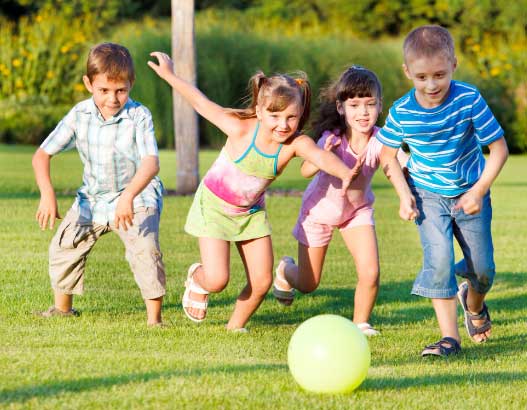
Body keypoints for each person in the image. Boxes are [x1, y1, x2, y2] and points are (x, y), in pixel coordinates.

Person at [148, 52, 362, 331]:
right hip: (213, 208)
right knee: (217, 279)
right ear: (260, 111)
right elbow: (201, 103)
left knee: (261, 282)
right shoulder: (239, 128)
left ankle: (233, 328)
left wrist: (345, 172)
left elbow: (320, 156)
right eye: (274, 115)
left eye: (291, 117)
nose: (283, 125)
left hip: (250, 214)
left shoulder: (294, 144)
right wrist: (169, 75)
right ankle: (199, 280)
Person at [377, 25, 509, 356]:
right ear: (408, 72)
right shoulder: (402, 111)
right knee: (438, 260)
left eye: (439, 74)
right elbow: (386, 154)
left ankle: (473, 303)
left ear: (454, 65)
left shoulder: (468, 99)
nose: (431, 84)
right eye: (421, 77)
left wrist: (479, 191)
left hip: (470, 193)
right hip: (428, 195)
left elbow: (499, 148)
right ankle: (450, 338)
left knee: (483, 270)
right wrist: (404, 194)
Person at [32, 43, 166, 326]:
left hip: (137, 196)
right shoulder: (79, 115)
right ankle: (62, 309)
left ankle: (155, 320)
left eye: (121, 90)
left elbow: (151, 163)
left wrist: (129, 196)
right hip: (92, 199)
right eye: (103, 90)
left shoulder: (139, 116)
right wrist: (47, 193)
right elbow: (42, 155)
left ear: (131, 84)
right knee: (65, 245)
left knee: (145, 249)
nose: (113, 98)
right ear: (88, 83)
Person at [272, 66, 408, 336]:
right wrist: (322, 153)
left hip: (356, 212)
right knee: (309, 284)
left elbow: (399, 163)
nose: (363, 112)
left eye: (370, 104)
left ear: (380, 105)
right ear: (341, 107)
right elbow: (305, 171)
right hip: (318, 212)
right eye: (355, 105)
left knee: (370, 272)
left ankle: (361, 323)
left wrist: (412, 184)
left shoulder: (381, 140)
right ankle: (286, 270)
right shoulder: (331, 138)